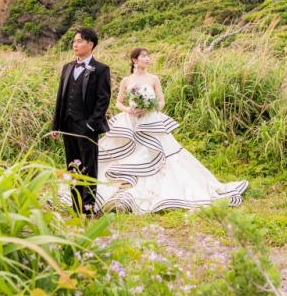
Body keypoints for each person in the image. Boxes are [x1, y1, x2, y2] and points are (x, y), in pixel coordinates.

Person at [95, 47, 247, 213]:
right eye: (144, 56)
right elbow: (118, 103)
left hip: (151, 120)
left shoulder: (153, 78)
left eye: (148, 56)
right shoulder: (126, 80)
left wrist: (150, 108)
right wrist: (129, 110)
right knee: (126, 155)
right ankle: (124, 187)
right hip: (131, 121)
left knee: (160, 154)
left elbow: (161, 101)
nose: (147, 59)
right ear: (134, 60)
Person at [51, 27, 112, 215]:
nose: (75, 44)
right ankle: (76, 206)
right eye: (74, 41)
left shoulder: (101, 69)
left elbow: (103, 100)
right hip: (68, 124)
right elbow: (61, 97)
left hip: (86, 126)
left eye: (79, 41)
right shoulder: (67, 67)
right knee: (72, 165)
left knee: (88, 166)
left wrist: (90, 124)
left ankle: (88, 208)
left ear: (90, 44)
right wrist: (56, 125)